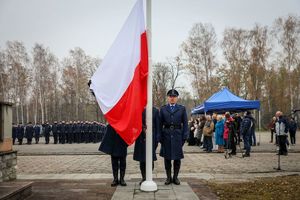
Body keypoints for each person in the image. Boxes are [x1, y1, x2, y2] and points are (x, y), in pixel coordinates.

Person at [159, 89, 188, 185]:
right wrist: (160, 137)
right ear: (168, 98)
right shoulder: (163, 109)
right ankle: (168, 177)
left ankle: (175, 177)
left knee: (177, 158)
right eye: (170, 97)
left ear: (177, 98)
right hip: (166, 135)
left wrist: (184, 137)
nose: (172, 98)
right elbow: (159, 124)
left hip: (177, 136)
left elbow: (185, 124)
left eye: (174, 97)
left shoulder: (182, 109)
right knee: (167, 158)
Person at [133, 107, 160, 185]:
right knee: (142, 159)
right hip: (141, 137)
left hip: (152, 137)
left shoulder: (155, 110)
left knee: (150, 158)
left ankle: (149, 177)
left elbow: (158, 125)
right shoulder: (138, 109)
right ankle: (144, 177)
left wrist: (157, 138)